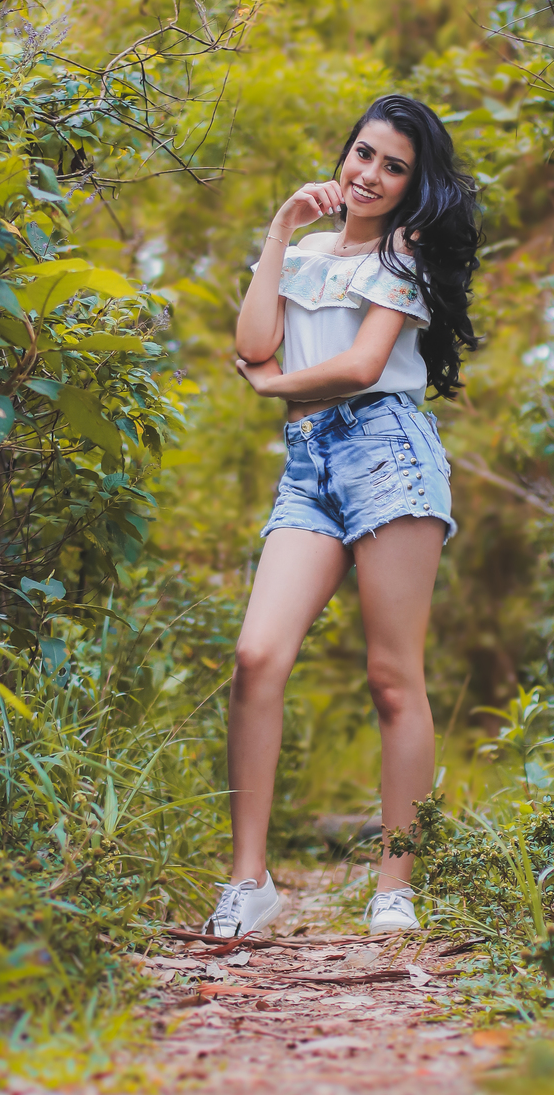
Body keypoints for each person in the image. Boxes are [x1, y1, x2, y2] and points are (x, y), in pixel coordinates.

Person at [205, 94, 480, 939]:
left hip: (387, 453)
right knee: (257, 657)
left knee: (392, 679)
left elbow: (361, 367)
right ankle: (248, 881)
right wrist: (281, 228)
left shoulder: (404, 256)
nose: (371, 175)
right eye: (364, 154)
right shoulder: (307, 253)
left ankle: (395, 888)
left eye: (394, 167)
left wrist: (273, 389)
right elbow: (253, 341)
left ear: (412, 185)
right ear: (346, 153)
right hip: (310, 466)